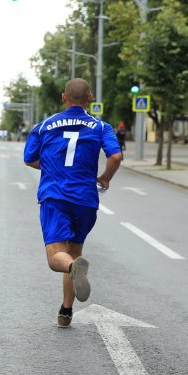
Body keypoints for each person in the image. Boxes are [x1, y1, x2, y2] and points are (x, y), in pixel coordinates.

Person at [23, 78, 122, 328]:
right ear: (90, 99)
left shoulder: (45, 125)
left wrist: (53, 167)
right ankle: (66, 311)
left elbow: (29, 159)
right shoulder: (101, 126)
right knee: (74, 252)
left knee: (57, 256)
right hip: (86, 200)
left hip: (55, 196)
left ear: (64, 98)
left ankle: (73, 269)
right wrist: (105, 179)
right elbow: (116, 156)